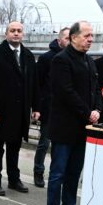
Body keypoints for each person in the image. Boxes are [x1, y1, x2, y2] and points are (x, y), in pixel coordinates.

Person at [45, 21, 101, 205]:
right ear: (74, 37)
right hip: (64, 127)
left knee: (74, 172)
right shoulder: (61, 60)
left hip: (83, 127)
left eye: (92, 36)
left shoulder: (89, 61)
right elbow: (66, 92)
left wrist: (97, 109)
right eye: (87, 35)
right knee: (58, 172)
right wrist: (87, 112)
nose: (90, 39)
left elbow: (95, 89)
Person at [0, 21, 40, 196]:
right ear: (6, 34)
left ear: (23, 34)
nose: (16, 34)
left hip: (20, 112)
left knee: (15, 147)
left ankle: (14, 179)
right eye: (12, 31)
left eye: (19, 31)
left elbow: (34, 83)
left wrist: (36, 107)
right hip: (0, 111)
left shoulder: (28, 56)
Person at [34, 27, 70, 188]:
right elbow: (38, 84)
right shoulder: (46, 58)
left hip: (66, 111)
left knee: (60, 145)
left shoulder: (73, 58)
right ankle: (38, 171)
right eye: (67, 38)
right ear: (59, 40)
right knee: (44, 143)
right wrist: (37, 107)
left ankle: (56, 174)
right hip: (49, 108)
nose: (69, 41)